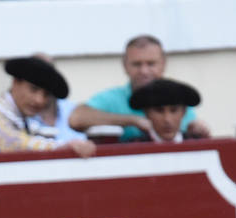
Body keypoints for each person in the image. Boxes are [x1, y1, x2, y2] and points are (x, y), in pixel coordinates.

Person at [69, 35, 210, 142]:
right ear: (125, 66)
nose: (144, 71)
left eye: (151, 64)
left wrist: (199, 130)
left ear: (163, 64)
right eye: (137, 64)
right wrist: (131, 120)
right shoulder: (111, 99)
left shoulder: (179, 97)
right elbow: (76, 119)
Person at [0, 57, 96, 157]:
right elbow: (11, 143)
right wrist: (61, 146)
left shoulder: (23, 119)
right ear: (15, 83)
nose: (39, 100)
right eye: (34, 90)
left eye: (46, 95)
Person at [125, 78, 202, 143]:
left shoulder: (199, 144)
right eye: (159, 111)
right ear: (146, 113)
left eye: (174, 111)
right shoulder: (133, 147)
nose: (167, 119)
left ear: (184, 112)